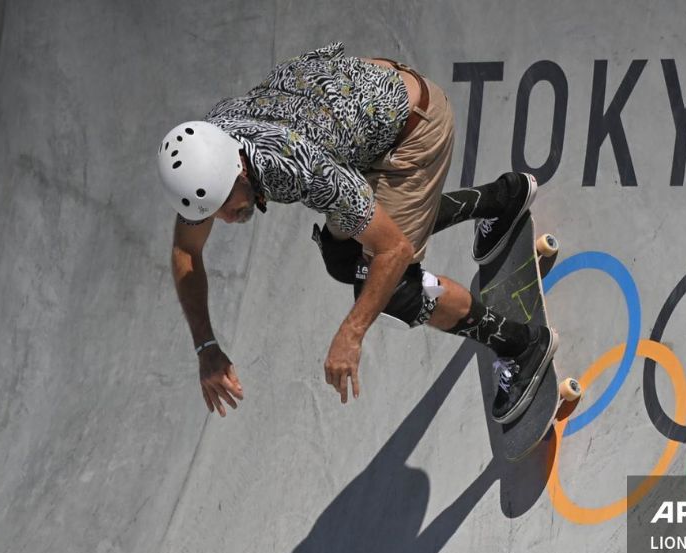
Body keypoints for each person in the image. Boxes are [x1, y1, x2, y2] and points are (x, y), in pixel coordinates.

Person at [158, 43, 555, 424]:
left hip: (413, 130)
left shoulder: (299, 166)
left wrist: (351, 334)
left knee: (395, 292)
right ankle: (504, 199)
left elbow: (393, 250)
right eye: (214, 212)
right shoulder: (209, 145)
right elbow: (186, 250)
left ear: (241, 170)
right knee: (342, 257)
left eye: (227, 204)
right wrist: (205, 346)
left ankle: (521, 345)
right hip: (360, 112)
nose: (226, 219)